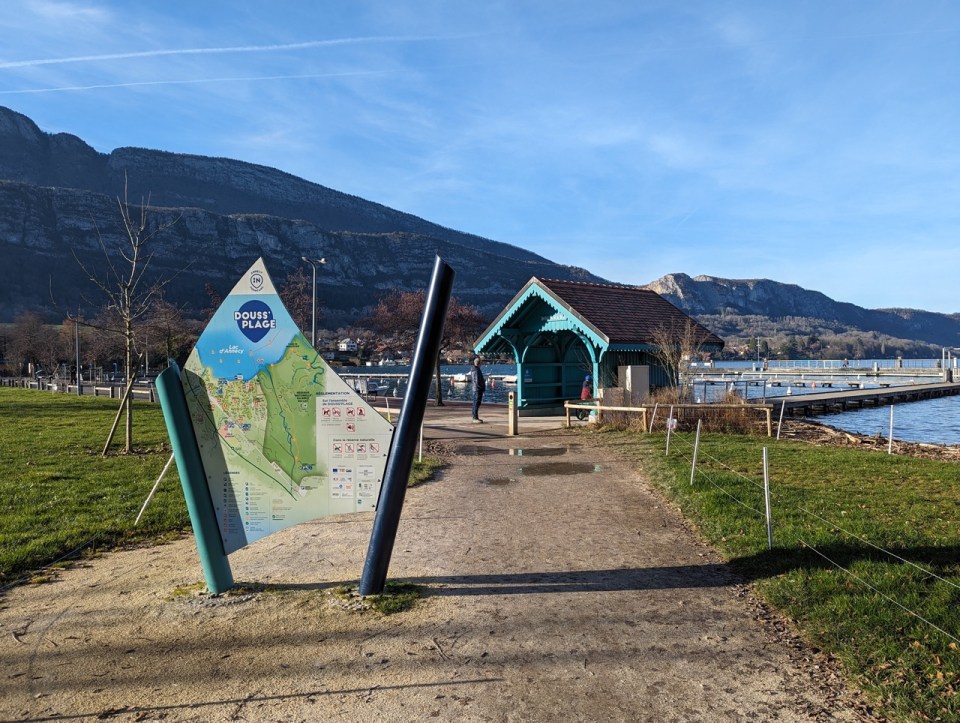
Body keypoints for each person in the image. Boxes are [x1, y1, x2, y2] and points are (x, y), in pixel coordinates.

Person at [470, 357, 485, 423]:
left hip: (476, 389)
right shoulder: (476, 370)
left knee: (475, 403)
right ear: (479, 363)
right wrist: (481, 387)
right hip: (477, 389)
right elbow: (477, 380)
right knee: (476, 403)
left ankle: (475, 417)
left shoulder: (475, 369)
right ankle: (475, 418)